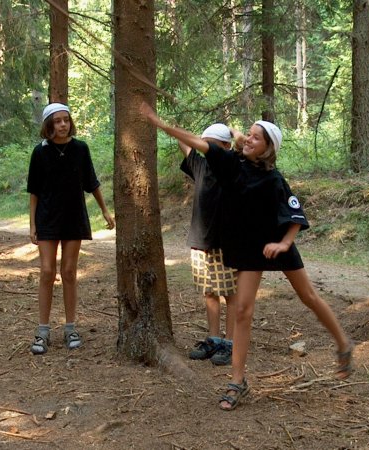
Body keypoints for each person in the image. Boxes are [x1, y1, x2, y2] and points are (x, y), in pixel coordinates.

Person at [140, 102, 353, 411]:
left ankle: (344, 344)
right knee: (242, 311)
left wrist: (284, 244)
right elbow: (197, 143)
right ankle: (237, 382)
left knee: (308, 295)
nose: (249, 139)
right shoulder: (231, 163)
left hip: (275, 241)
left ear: (268, 148)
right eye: (249, 135)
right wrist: (160, 124)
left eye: (256, 137)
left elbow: (294, 215)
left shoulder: (274, 179)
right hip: (250, 247)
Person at [27, 103, 115, 355]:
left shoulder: (80, 149)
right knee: (47, 271)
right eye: (57, 121)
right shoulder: (40, 152)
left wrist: (105, 210)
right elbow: (34, 191)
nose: (63, 124)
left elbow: (92, 182)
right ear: (49, 125)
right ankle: (43, 331)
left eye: (66, 120)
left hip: (74, 217)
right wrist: (32, 224)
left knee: (68, 271)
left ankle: (70, 328)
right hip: (47, 218)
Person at [179, 124, 238, 366]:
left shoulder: (235, 167)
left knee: (230, 293)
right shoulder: (199, 165)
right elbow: (184, 143)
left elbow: (245, 150)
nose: (207, 149)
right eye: (205, 145)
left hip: (227, 242)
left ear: (226, 146)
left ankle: (230, 343)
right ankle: (214, 339)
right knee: (210, 292)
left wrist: (234, 133)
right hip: (201, 240)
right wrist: (193, 136)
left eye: (213, 145)